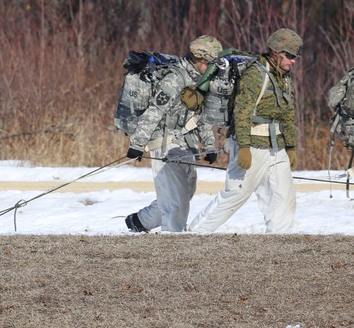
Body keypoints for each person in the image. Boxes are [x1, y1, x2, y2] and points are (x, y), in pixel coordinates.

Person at [189, 28, 302, 233]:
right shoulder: (255, 75)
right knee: (236, 194)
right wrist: (243, 147)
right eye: (291, 56)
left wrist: (291, 146)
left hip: (276, 147)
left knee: (283, 194)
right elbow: (242, 112)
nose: (294, 61)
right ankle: (196, 232)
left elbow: (288, 113)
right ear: (277, 52)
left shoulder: (284, 77)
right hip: (251, 144)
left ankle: (279, 238)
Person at [124, 35, 221, 233]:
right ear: (200, 59)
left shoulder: (201, 80)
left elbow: (200, 116)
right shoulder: (175, 78)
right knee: (177, 201)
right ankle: (172, 244)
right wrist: (138, 143)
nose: (215, 69)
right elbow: (155, 110)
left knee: (184, 194)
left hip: (186, 145)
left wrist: (209, 145)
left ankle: (141, 221)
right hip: (165, 144)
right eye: (211, 63)